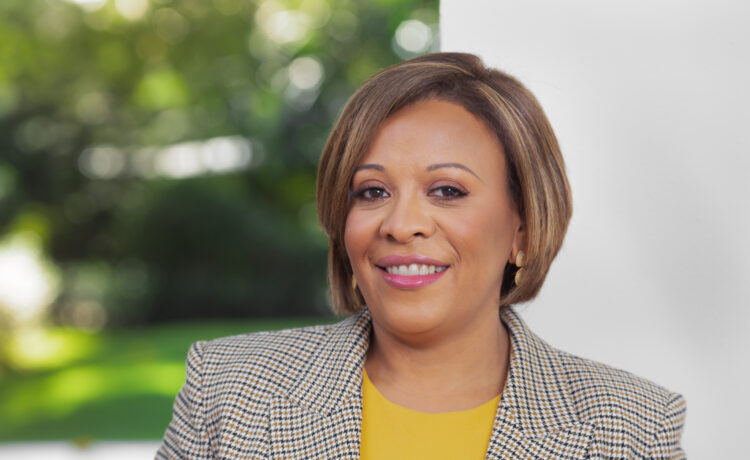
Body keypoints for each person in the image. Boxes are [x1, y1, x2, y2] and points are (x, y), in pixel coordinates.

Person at [157, 52, 686, 459]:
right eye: (372, 191)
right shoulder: (227, 391)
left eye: (447, 191)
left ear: (522, 227)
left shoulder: (631, 430)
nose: (400, 224)